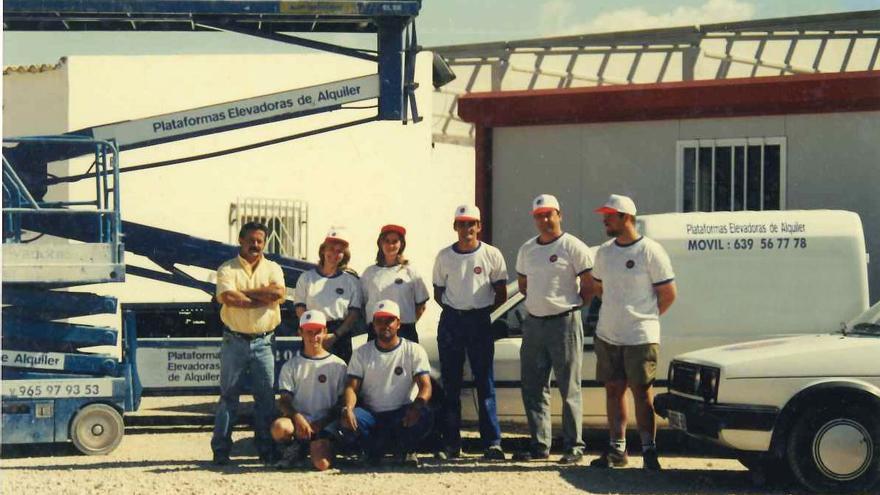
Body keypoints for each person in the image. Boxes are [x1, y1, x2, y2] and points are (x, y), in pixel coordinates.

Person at [589, 194, 677, 471]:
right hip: (609, 334)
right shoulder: (604, 252)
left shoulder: (650, 251)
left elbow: (668, 294)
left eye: (610, 215)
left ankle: (649, 452)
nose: (605, 219)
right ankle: (617, 450)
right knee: (613, 390)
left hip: (640, 335)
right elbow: (599, 288)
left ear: (626, 217)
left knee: (642, 392)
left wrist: (643, 318)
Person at [513, 194, 594, 464]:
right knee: (534, 387)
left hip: (564, 322)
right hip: (534, 324)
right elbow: (523, 285)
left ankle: (574, 446)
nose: (544, 220)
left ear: (559, 215)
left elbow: (589, 284)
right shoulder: (527, 249)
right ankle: (540, 444)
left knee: (569, 386)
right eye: (539, 216)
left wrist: (574, 306)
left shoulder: (573, 246)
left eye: (549, 214)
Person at [432, 204, 508, 460]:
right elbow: (438, 292)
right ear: (455, 227)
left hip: (480, 321)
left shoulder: (491, 254)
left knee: (484, 382)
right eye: (461, 224)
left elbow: (501, 293)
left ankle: (492, 443)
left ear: (479, 226)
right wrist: (458, 310)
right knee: (451, 384)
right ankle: (452, 443)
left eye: (471, 223)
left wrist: (479, 313)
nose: (467, 229)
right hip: (452, 321)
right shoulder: (444, 256)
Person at [211, 221, 286, 466]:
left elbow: (276, 294)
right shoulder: (226, 269)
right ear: (241, 241)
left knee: (265, 399)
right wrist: (260, 297)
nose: (255, 245)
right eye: (251, 240)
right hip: (235, 341)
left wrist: (246, 293)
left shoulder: (274, 268)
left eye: (260, 241)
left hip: (264, 343)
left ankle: (265, 450)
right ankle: (221, 451)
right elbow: (229, 298)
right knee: (228, 397)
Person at [329, 299, 434, 467]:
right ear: (373, 325)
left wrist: (416, 406)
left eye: (389, 320)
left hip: (401, 414)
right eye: (380, 321)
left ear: (398, 323)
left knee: (424, 413)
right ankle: (371, 451)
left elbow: (426, 386)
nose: (384, 325)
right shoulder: (362, 353)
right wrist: (347, 408)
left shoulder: (413, 350)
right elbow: (351, 387)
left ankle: (406, 450)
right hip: (372, 415)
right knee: (347, 418)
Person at [270, 309, 347, 471]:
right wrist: (297, 418)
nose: (313, 337)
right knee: (280, 427)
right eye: (309, 332)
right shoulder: (291, 365)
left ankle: (321, 447)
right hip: (299, 424)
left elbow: (342, 402)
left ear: (325, 332)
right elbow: (284, 400)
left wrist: (322, 422)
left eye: (318, 332)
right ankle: (293, 450)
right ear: (300, 333)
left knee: (321, 464)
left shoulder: (338, 365)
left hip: (325, 424)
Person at [294, 227, 363, 363]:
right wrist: (313, 332)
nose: (334, 253)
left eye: (339, 251)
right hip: (312, 332)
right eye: (331, 248)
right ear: (323, 250)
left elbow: (353, 315)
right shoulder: (307, 278)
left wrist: (335, 336)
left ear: (345, 255)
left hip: (339, 335)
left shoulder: (351, 281)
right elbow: (300, 308)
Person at [361, 224, 430, 343]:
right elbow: (363, 303)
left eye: (395, 241)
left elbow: (421, 305)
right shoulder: (369, 273)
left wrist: (404, 323)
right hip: (376, 332)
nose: (390, 245)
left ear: (401, 244)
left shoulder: (410, 271)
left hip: (405, 331)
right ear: (380, 243)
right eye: (386, 241)